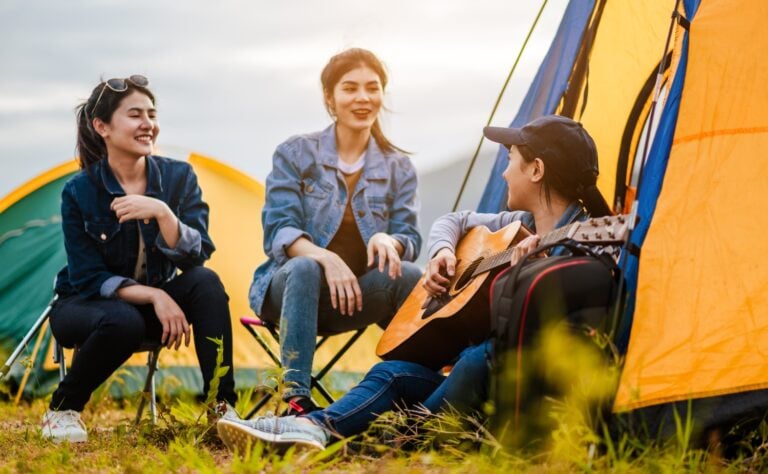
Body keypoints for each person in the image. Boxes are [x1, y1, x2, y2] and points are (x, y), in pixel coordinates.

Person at [219, 115, 614, 452]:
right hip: (475, 374)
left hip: (506, 386)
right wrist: (444, 252)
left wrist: (528, 276)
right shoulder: (516, 225)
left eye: (511, 160)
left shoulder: (584, 245)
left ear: (537, 170)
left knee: (473, 360)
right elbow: (453, 221)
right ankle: (307, 426)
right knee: (392, 372)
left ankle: (388, 438)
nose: (505, 171)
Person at [41, 75, 238, 443]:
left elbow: (199, 255)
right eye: (135, 115)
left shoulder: (179, 177)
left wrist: (164, 213)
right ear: (102, 126)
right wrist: (155, 295)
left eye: (151, 113)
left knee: (206, 283)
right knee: (123, 320)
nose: (148, 123)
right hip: (84, 307)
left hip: (145, 312)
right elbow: (87, 278)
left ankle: (222, 410)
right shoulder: (80, 191)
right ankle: (62, 409)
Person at [248, 48, 423, 415]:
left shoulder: (398, 167)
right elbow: (278, 232)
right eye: (350, 88)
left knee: (409, 274)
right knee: (305, 267)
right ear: (330, 98)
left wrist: (387, 238)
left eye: (372, 88)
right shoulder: (296, 153)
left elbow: (410, 238)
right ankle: (295, 397)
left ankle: (420, 394)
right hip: (288, 294)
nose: (362, 98)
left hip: (352, 298)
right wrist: (325, 257)